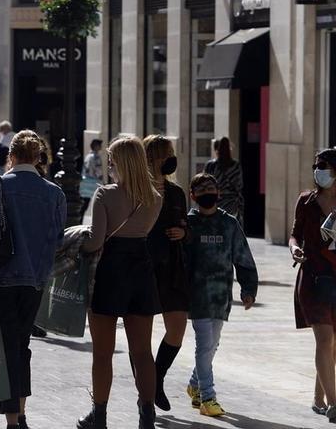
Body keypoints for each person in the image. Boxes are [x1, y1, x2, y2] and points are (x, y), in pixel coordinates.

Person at [0, 130, 65, 429]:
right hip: (34, 279)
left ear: (11, 156)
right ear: (37, 157)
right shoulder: (54, 194)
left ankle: (13, 419)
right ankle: (20, 412)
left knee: (7, 347)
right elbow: (57, 241)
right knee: (21, 345)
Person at [77, 135, 163, 429]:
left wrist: (78, 240)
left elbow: (96, 241)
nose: (109, 165)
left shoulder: (104, 195)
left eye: (111, 160)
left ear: (120, 163)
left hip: (110, 271)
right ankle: (147, 416)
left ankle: (98, 416)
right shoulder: (155, 198)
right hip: (141, 269)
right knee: (142, 352)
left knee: (102, 352)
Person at [184, 173, 257, 417]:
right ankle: (208, 397)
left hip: (221, 297)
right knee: (204, 345)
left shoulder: (229, 223)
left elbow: (243, 257)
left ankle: (195, 384)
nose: (207, 195)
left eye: (211, 190)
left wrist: (248, 289)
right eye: (201, 190)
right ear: (192, 196)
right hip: (198, 297)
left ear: (219, 194)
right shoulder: (188, 225)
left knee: (212, 345)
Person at [142, 135, 190, 412]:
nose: (172, 157)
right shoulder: (138, 190)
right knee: (142, 336)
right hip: (145, 267)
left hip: (172, 267)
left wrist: (183, 232)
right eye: (168, 153)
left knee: (177, 329)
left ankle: (157, 377)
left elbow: (186, 225)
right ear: (155, 157)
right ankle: (147, 394)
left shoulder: (176, 193)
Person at [291, 148, 336, 422]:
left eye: (324, 166)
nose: (318, 171)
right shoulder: (306, 201)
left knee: (332, 345)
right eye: (316, 166)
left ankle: (318, 397)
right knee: (324, 339)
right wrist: (294, 249)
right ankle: (334, 404)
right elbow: (294, 235)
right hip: (314, 278)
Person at [204, 137, 244, 226]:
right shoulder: (235, 166)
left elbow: (204, 183)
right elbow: (239, 185)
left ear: (217, 149)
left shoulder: (211, 165)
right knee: (230, 227)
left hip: (214, 201)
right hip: (232, 203)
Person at [81, 139, 105, 216]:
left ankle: (80, 218)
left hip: (86, 182)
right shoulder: (95, 157)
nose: (101, 147)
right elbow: (98, 170)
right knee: (99, 202)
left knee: (85, 202)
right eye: (99, 145)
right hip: (94, 183)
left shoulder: (88, 156)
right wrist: (102, 181)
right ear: (96, 146)